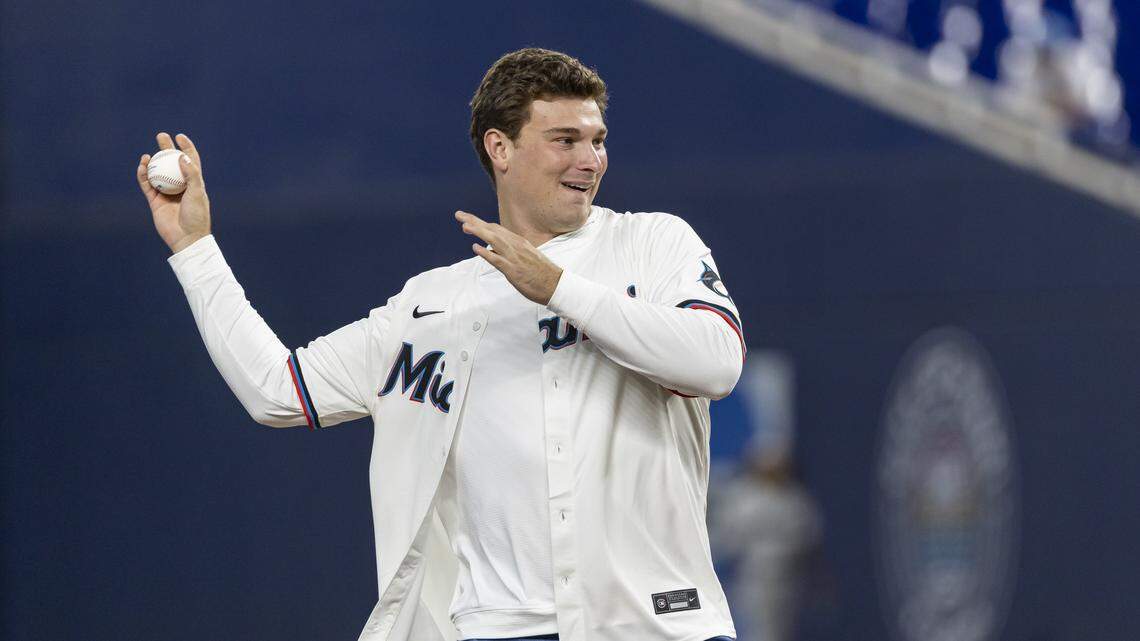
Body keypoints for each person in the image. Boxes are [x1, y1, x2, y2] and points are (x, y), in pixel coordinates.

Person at [137, 48, 745, 641]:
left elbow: (715, 361)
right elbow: (277, 390)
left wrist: (557, 287)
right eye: (565, 140)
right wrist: (195, 250)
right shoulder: (430, 307)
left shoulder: (652, 244)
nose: (591, 159)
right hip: (500, 627)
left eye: (598, 139)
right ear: (500, 148)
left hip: (660, 622)